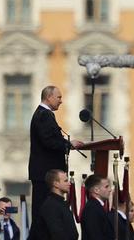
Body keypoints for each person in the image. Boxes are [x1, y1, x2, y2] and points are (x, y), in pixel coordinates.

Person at [29, 86, 84, 222]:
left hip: (46, 174)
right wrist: (69, 145)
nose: (61, 101)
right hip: (45, 175)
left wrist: (67, 144)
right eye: (58, 97)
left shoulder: (44, 114)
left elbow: (51, 139)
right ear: (49, 97)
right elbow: (48, 141)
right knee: (44, 216)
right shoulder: (43, 115)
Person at [30, 169, 78, 240]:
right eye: (65, 181)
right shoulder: (50, 206)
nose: (69, 183)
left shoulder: (62, 203)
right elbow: (58, 234)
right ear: (56, 184)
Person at [81, 174, 115, 240]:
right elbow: (95, 235)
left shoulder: (97, 206)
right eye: (106, 187)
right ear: (96, 190)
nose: (110, 190)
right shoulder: (92, 209)